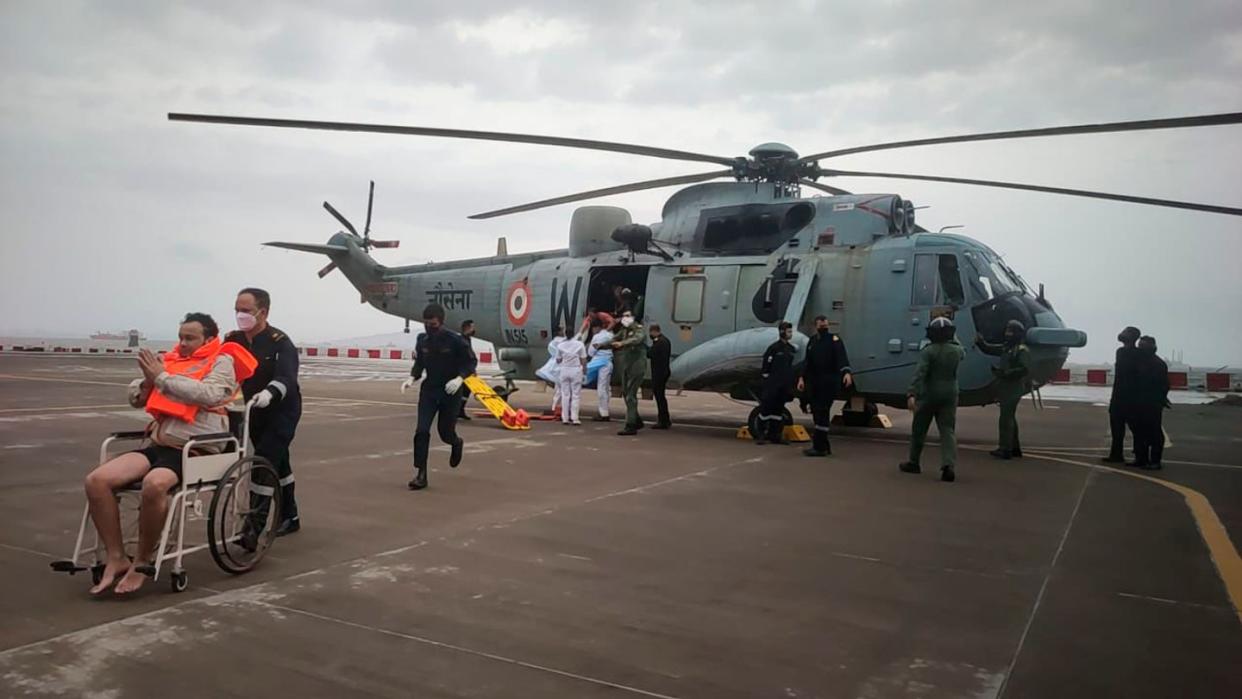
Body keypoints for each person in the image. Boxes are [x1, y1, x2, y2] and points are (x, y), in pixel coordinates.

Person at [84, 313, 255, 595]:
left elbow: (211, 394)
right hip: (160, 445)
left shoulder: (222, 361)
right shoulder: (171, 361)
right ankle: (116, 557)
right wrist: (147, 384)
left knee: (155, 484)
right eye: (181, 337)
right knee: (97, 480)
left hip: (197, 449)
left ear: (209, 339)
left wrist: (161, 377)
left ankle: (142, 561)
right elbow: (136, 399)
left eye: (190, 338)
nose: (183, 343)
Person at [226, 288, 303, 537]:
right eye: (237, 309)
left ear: (263, 312)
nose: (240, 315)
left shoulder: (280, 342)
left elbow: (287, 377)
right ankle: (290, 516)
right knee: (278, 463)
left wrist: (270, 392)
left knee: (263, 461)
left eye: (246, 310)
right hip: (254, 411)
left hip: (282, 410)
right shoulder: (233, 341)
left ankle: (253, 528)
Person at [401, 303, 476, 490]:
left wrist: (460, 379)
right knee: (422, 431)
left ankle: (456, 443)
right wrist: (412, 377)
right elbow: (420, 362)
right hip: (429, 391)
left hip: (450, 392)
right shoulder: (422, 340)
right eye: (426, 324)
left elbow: (470, 362)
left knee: (445, 433)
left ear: (441, 323)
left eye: (433, 324)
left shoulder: (456, 341)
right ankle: (421, 474)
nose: (429, 328)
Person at [899, 317, 965, 482]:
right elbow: (960, 348)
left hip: (929, 394)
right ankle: (948, 465)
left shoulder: (929, 351)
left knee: (919, 430)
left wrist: (911, 393)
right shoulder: (957, 351)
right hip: (950, 394)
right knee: (947, 431)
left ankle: (914, 463)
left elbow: (920, 373)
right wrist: (953, 333)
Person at [796, 316, 853, 456]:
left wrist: (846, 372)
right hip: (815, 383)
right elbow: (807, 362)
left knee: (822, 412)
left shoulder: (834, 341)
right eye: (821, 325)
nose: (823, 328)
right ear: (816, 326)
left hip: (828, 383)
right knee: (817, 412)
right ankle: (824, 445)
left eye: (825, 325)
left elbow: (842, 357)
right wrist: (801, 378)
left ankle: (819, 447)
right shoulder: (813, 341)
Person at [976, 320, 1031, 459]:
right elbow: (990, 349)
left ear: (1017, 334)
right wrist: (980, 342)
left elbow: (1024, 369)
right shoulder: (1007, 348)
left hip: (1013, 387)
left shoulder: (1022, 350)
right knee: (1010, 418)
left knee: (1005, 419)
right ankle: (1014, 448)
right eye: (1007, 331)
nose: (1007, 334)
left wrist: (1004, 373)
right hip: (1007, 387)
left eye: (1010, 332)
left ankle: (1005, 449)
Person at [1102, 326, 1142, 463]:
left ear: (1132, 336)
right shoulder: (1120, 351)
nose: (1122, 333)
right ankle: (1116, 454)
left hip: (1131, 397)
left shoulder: (1137, 354)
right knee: (1116, 428)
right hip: (1118, 395)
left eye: (1126, 332)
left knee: (1136, 429)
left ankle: (1140, 456)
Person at [756, 321, 798, 445]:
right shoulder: (774, 348)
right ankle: (761, 434)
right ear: (782, 332)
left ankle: (775, 435)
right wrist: (767, 381)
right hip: (772, 385)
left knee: (778, 411)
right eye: (789, 331)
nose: (791, 334)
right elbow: (766, 366)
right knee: (766, 409)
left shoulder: (790, 349)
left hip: (784, 385)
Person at [1131, 335, 1170, 470]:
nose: (1140, 349)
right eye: (1140, 346)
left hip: (1152, 403)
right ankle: (1140, 458)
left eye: (1143, 346)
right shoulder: (1138, 362)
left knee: (1154, 432)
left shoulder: (1158, 364)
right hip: (1137, 402)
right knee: (1138, 432)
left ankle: (1155, 460)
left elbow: (1164, 385)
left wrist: (1160, 399)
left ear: (1152, 347)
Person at [611, 309, 647, 436]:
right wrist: (600, 344)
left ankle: (630, 425)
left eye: (627, 316)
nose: (624, 318)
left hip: (636, 367)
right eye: (623, 316)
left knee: (631, 396)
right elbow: (614, 338)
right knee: (626, 393)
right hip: (627, 366)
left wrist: (622, 343)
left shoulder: (639, 329)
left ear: (633, 317)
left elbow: (636, 340)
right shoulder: (624, 330)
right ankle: (636, 420)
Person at [556, 329, 588, 425]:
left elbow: (558, 360)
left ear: (565, 334)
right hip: (575, 370)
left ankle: (565, 418)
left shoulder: (560, 345)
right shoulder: (579, 344)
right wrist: (585, 372)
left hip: (564, 370)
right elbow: (583, 359)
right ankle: (575, 418)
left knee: (565, 395)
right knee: (576, 395)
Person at [588, 316, 615, 421]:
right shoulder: (610, 335)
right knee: (606, 388)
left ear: (596, 327)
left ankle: (604, 414)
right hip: (608, 363)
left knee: (601, 389)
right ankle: (605, 410)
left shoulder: (596, 337)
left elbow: (590, 352)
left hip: (599, 363)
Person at [648, 324, 672, 429]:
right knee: (661, 397)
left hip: (659, 373)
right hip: (664, 371)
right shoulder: (666, 340)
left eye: (650, 333)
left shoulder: (659, 342)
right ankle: (665, 419)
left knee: (659, 397)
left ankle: (663, 420)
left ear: (654, 331)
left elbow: (650, 354)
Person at [457, 320, 477, 421]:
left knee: (466, 391)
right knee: (459, 392)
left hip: (466, 371)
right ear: (467, 328)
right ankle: (455, 411)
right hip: (461, 371)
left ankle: (460, 410)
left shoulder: (467, 340)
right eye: (472, 327)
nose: (474, 329)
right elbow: (468, 357)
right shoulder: (462, 341)